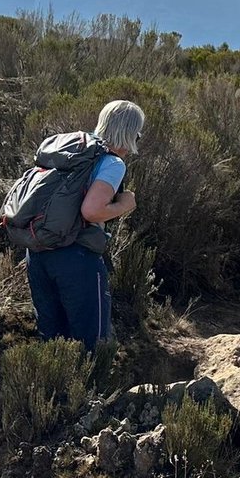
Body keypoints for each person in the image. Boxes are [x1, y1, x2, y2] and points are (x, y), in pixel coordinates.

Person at [27, 99, 144, 348]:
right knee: (91, 341)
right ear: (131, 133)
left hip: (38, 252)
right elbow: (91, 211)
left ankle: (54, 387)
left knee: (52, 336)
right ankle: (92, 387)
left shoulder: (73, 151)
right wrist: (125, 204)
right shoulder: (112, 163)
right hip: (76, 257)